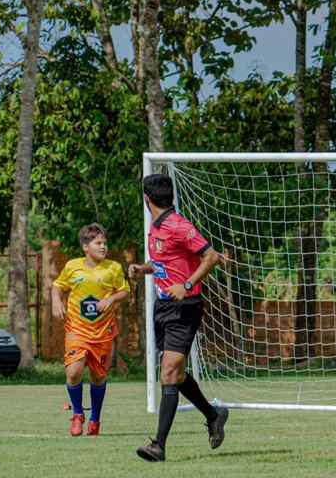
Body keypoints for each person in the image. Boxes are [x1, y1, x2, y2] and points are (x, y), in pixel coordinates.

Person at [127, 173, 227, 462]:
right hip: (163, 306)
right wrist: (142, 269)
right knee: (176, 374)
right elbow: (163, 262)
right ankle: (213, 415)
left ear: (147, 199)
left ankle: (158, 445)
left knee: (168, 372)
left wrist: (185, 285)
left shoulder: (178, 224)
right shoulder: (157, 227)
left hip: (186, 306)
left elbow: (210, 256)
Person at [51, 223, 130, 436]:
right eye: (98, 243)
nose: (103, 247)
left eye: (105, 243)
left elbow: (124, 292)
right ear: (86, 246)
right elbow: (57, 286)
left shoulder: (113, 268)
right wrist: (55, 301)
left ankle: (95, 419)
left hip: (103, 331)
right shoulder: (72, 266)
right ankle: (77, 414)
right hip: (77, 329)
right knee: (74, 372)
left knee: (98, 377)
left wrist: (111, 298)